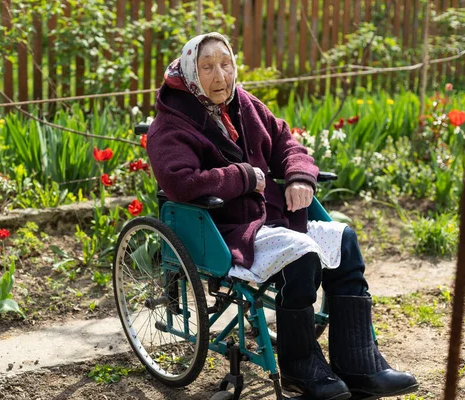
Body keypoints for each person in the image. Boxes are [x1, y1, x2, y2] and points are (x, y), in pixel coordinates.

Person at [146, 32, 418, 400]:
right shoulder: (172, 123)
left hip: (271, 219)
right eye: (207, 67)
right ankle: (298, 365)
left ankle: (358, 363)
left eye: (226, 64)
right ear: (191, 71)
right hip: (224, 228)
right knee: (302, 255)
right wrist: (244, 176)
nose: (220, 75)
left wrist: (298, 176)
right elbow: (180, 183)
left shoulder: (245, 104)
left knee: (344, 239)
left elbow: (288, 143)